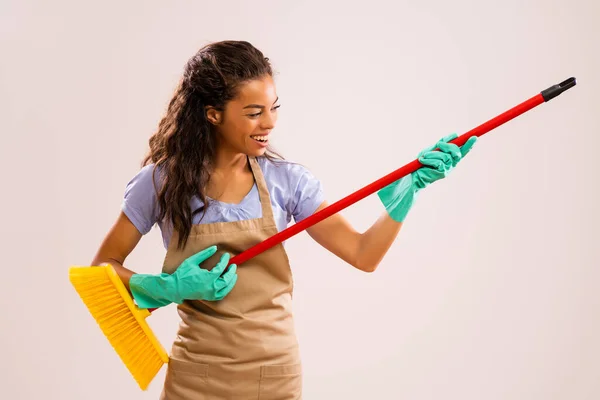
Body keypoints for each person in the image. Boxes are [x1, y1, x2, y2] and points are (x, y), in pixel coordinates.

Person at [91, 40, 477, 399]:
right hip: (197, 376)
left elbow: (363, 254)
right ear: (213, 114)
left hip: (273, 375)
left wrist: (406, 194)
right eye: (254, 113)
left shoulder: (287, 182)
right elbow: (101, 269)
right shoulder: (161, 182)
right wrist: (167, 286)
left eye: (274, 108)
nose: (269, 123)